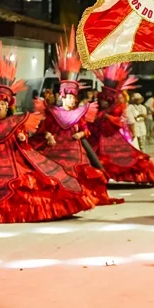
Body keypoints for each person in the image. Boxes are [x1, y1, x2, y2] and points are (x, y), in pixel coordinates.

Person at [0, 44, 96, 223]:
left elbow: (25, 137)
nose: (1, 106)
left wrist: (22, 138)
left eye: (4, 104)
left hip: (59, 149)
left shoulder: (18, 120)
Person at [31, 31, 123, 206]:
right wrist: (49, 135)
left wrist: (80, 135)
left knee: (78, 172)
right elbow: (44, 129)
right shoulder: (52, 112)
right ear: (62, 96)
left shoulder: (80, 112)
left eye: (73, 97)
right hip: (55, 147)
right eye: (68, 97)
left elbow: (85, 130)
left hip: (74, 148)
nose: (71, 100)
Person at [89, 64, 154, 185]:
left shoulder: (117, 108)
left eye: (107, 100)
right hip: (98, 138)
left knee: (126, 159)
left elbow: (118, 122)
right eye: (103, 100)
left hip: (113, 137)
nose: (104, 102)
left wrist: (107, 117)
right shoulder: (97, 108)